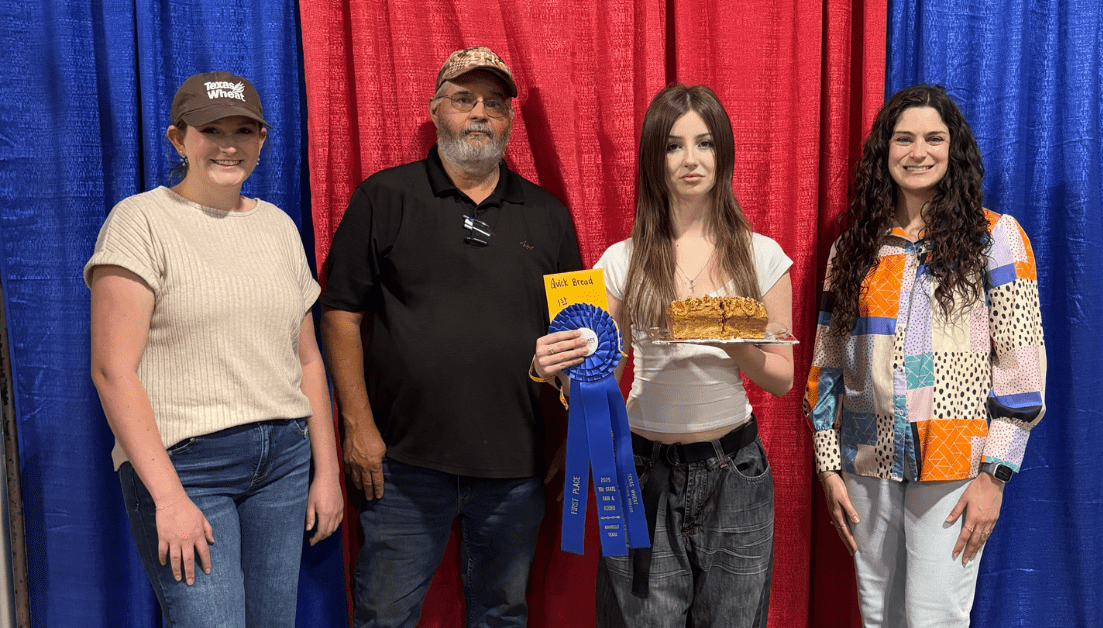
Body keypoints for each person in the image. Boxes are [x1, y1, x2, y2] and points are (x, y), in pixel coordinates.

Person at [320, 46, 583, 628]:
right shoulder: (384, 198)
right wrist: (358, 427)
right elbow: (340, 313)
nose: (480, 113)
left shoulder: (548, 215)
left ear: (512, 119)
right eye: (465, 99)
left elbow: (578, 337)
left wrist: (574, 435)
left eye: (495, 102)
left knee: (502, 616)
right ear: (436, 110)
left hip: (516, 469)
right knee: (384, 616)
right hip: (403, 464)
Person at [86, 71, 343, 628]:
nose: (229, 145)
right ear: (178, 139)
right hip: (186, 467)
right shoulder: (139, 222)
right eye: (211, 130)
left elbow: (307, 360)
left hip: (284, 460)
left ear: (261, 141)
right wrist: (169, 499)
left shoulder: (277, 227)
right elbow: (112, 370)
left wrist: (327, 471)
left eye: (243, 130)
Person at [534, 84, 794, 628]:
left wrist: (731, 338)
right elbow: (597, 371)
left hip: (736, 473)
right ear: (656, 158)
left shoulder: (761, 254)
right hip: (641, 469)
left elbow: (781, 379)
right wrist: (553, 366)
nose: (691, 159)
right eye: (674, 146)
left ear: (722, 152)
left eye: (704, 143)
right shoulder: (621, 260)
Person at [804, 84, 1047, 627]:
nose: (918, 152)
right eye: (904, 138)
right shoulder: (854, 247)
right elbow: (828, 362)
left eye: (934, 139)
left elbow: (1021, 367)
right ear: (884, 151)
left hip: (955, 464)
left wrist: (995, 477)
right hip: (867, 460)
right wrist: (828, 465)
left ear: (952, 149)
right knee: (878, 617)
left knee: (935, 619)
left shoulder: (996, 239)